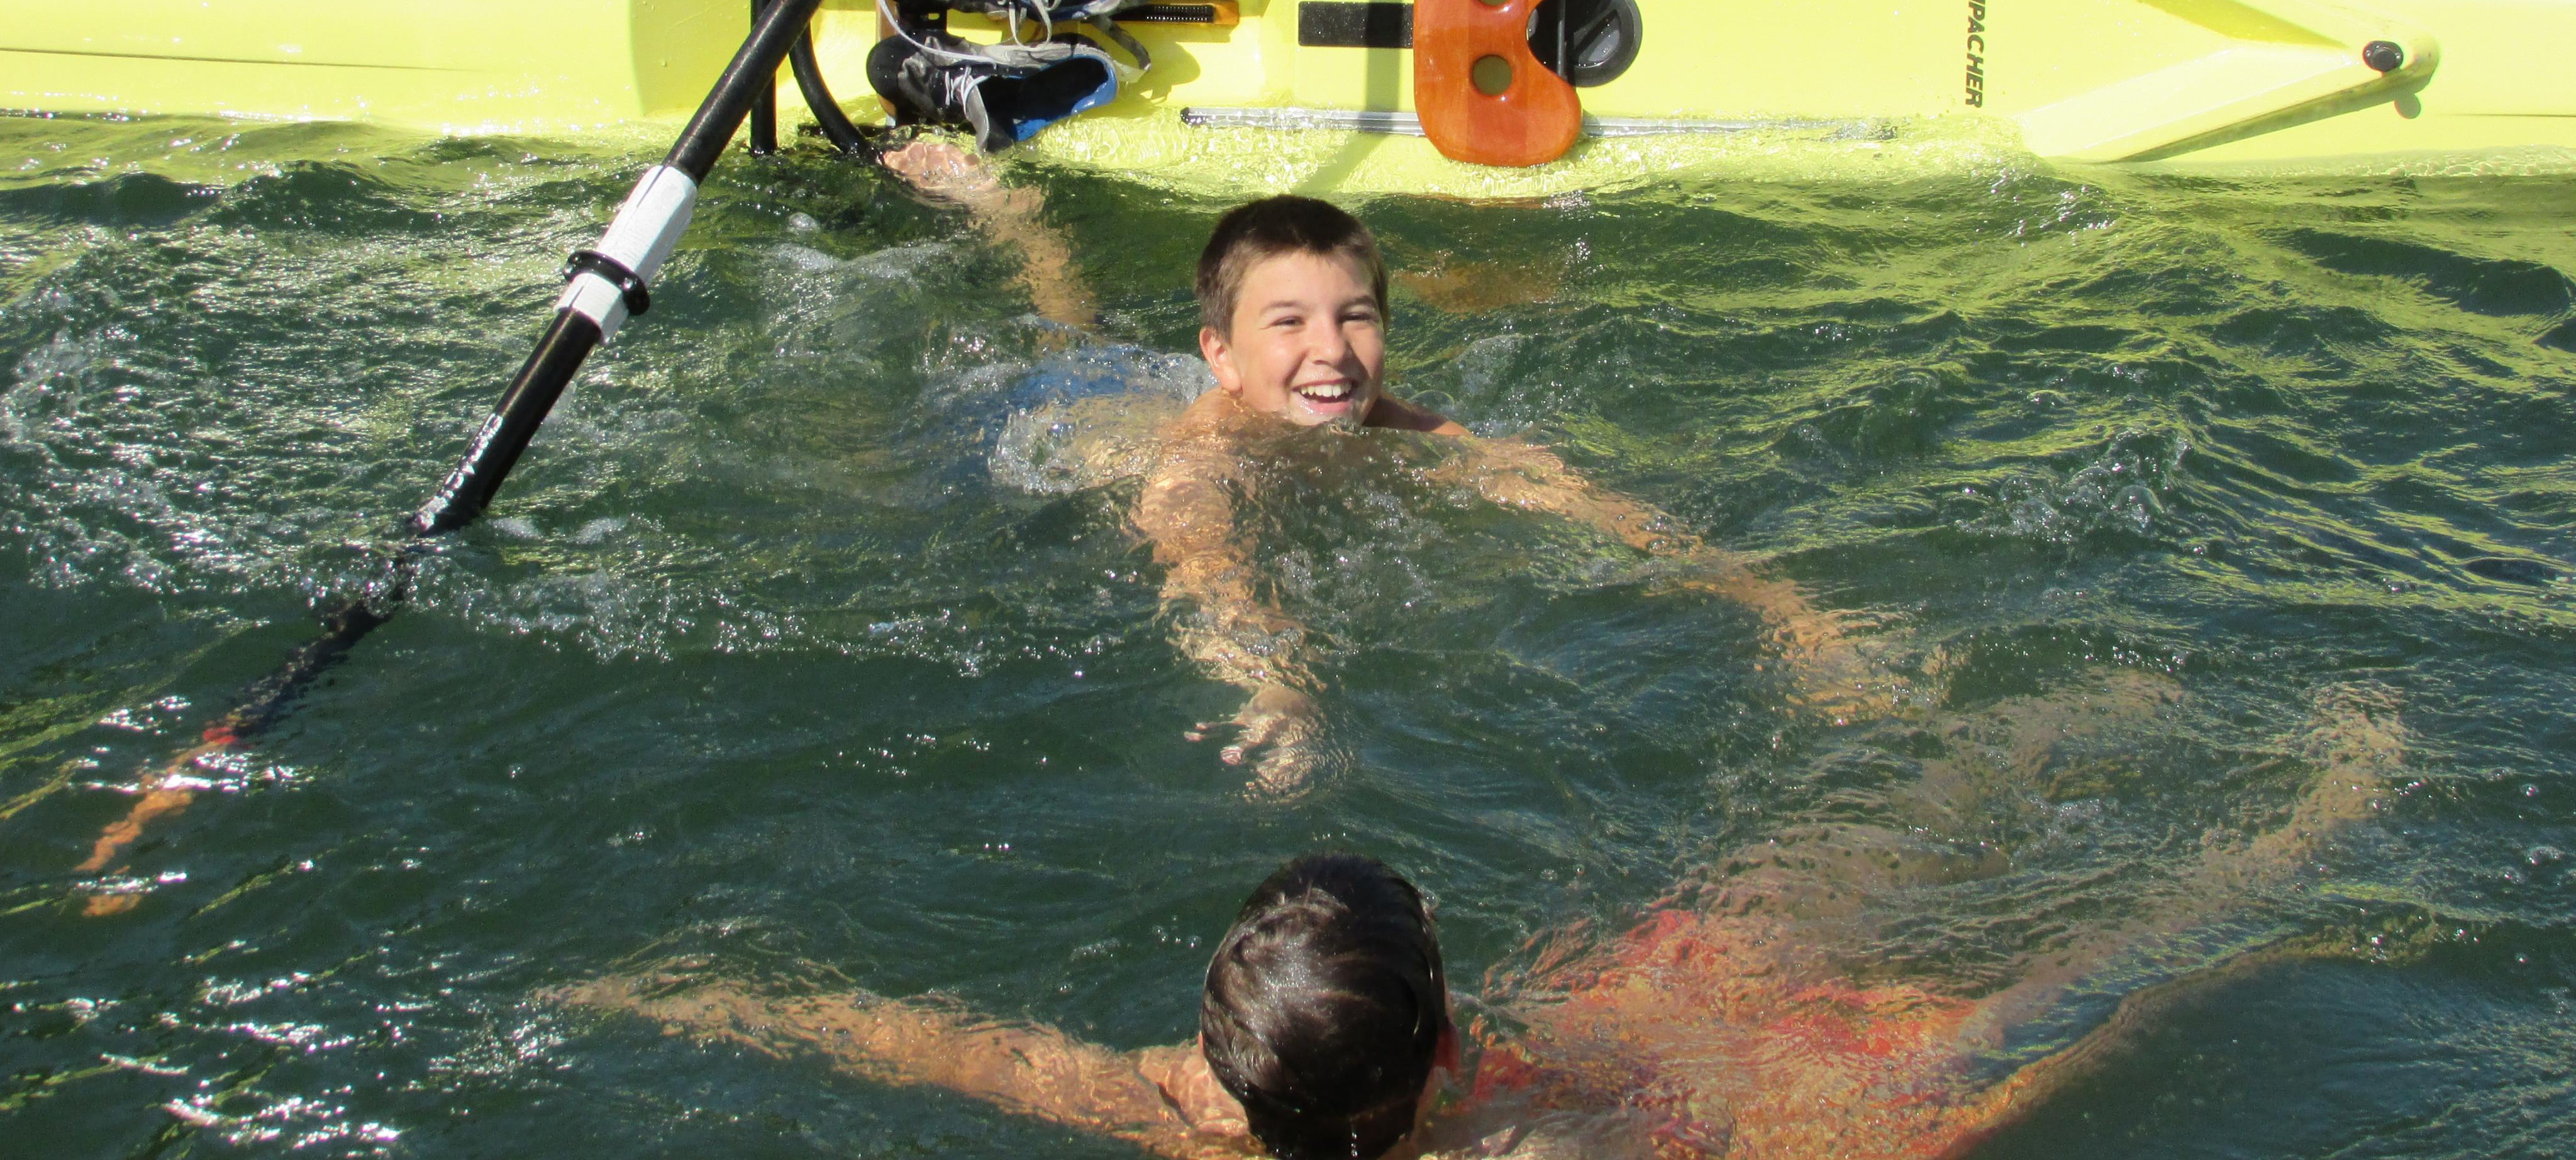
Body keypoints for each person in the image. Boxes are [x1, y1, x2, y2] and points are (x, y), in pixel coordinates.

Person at [557, 686, 2399, 1159]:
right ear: (1447, 1031)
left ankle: (2256, 852)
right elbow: (1981, 1067)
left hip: (1652, 1059)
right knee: (2023, 992)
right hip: (1714, 1075)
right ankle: (2304, 841)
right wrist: (2174, 990)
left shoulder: (1182, 1112)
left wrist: (683, 993)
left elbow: (924, 1040)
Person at [1135, 196, 1876, 793]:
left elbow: (1581, 503)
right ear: (1222, 356)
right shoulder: (1199, 461)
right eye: (1289, 323)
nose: (1331, 349)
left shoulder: (1412, 433)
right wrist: (1275, 683)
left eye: (1356, 316)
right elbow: (1205, 567)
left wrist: (1783, 610)